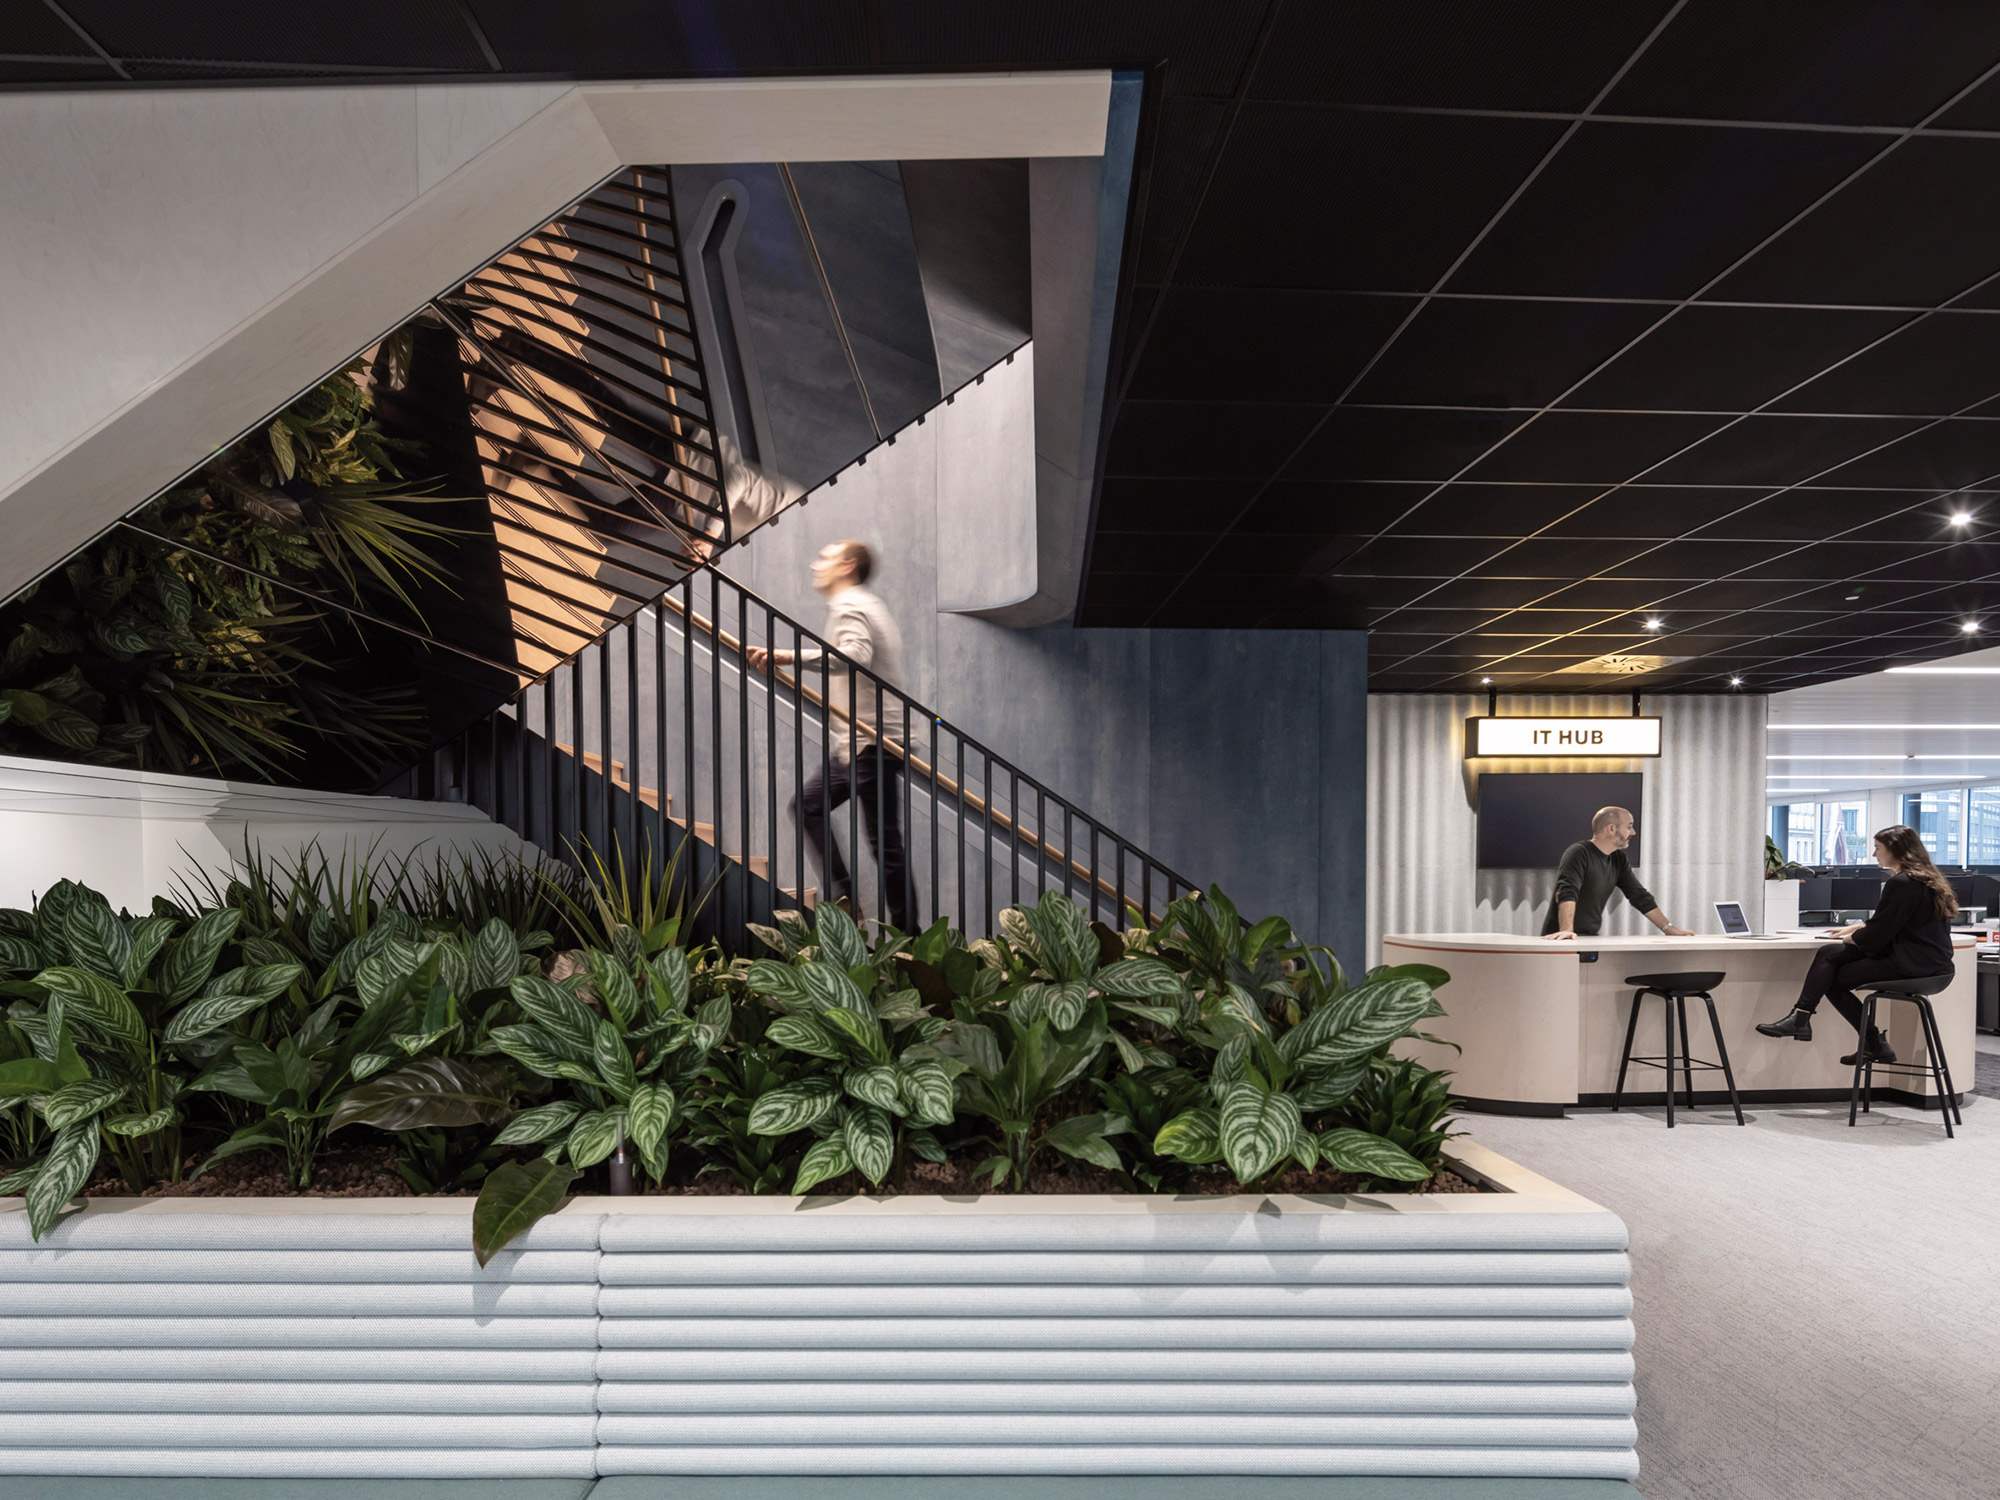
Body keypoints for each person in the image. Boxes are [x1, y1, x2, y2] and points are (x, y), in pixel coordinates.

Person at [744, 539, 914, 931]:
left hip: (873, 743)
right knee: (869, 836)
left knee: (870, 838)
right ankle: (880, 918)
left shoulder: (850, 604)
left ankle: (874, 915)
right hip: (864, 743)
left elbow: (855, 656)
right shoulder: (863, 604)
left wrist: (787, 656)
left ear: (848, 566)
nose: (817, 564)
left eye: (827, 558)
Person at [1754, 824, 1957, 1066]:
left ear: (1896, 850)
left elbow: (1881, 934)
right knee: (1829, 964)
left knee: (1831, 969)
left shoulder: (1902, 883)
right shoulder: (1925, 880)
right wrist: (1861, 928)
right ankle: (1808, 1021)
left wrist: (1854, 937)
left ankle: (1808, 1021)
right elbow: (1901, 922)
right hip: (1932, 963)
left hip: (1914, 964)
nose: (1874, 855)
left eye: (1878, 848)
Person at [1541, 806, 1695, 941]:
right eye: (1629, 827)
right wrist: (1567, 931)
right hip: (1560, 939)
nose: (1633, 832)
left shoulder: (1618, 858)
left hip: (1589, 938)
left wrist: (1669, 929)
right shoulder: (1578, 852)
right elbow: (1567, 891)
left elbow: (1639, 896)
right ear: (1611, 829)